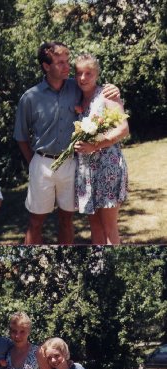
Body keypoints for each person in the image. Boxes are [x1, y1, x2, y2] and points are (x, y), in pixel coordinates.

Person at [13, 41, 120, 245]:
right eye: (60, 62)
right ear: (46, 66)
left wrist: (113, 88)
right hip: (41, 163)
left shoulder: (75, 86)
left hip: (71, 164)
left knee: (66, 219)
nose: (67, 66)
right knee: (36, 222)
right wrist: (34, 163)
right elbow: (21, 136)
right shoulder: (30, 97)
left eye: (67, 61)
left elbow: (97, 90)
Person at [73, 53, 129, 245]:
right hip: (86, 171)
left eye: (88, 73)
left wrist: (95, 145)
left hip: (107, 167)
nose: (83, 78)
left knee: (109, 227)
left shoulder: (106, 95)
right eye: (79, 73)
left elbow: (123, 129)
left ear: (96, 74)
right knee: (95, 227)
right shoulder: (78, 99)